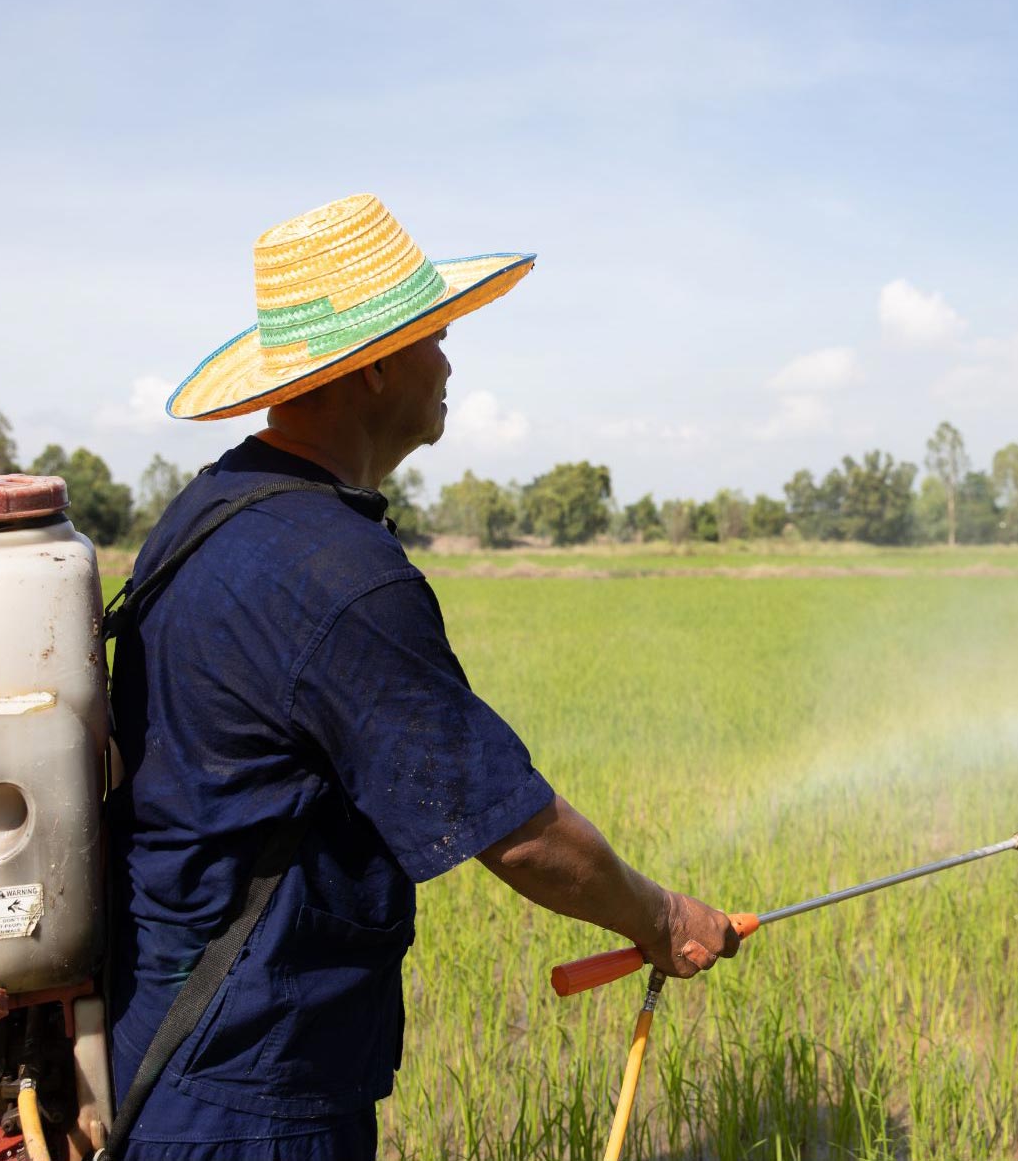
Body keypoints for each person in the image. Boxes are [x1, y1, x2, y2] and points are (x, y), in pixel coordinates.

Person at [105, 194, 739, 1160]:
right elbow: (516, 832)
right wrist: (659, 915)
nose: (448, 362)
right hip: (251, 1087)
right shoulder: (337, 576)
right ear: (373, 367)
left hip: (163, 1040)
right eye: (435, 337)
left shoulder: (211, 510)